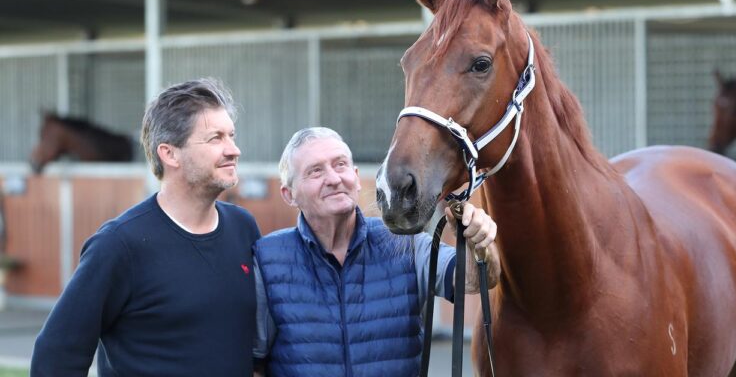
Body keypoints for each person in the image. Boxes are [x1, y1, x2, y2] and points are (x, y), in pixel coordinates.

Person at [31, 79, 262, 377]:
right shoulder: (118, 245)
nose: (234, 150)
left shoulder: (243, 228)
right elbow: (56, 355)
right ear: (170, 154)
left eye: (231, 135)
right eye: (215, 138)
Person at [252, 127, 500, 376]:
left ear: (356, 178)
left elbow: (475, 278)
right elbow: (255, 363)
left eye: (340, 165)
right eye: (315, 171)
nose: (334, 178)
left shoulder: (405, 242)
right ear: (289, 194)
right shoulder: (267, 260)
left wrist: (478, 242)